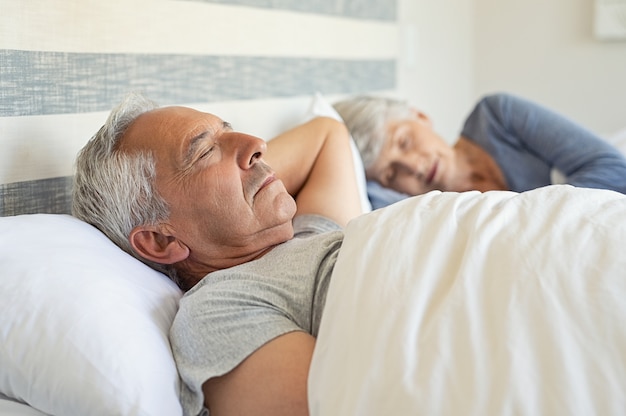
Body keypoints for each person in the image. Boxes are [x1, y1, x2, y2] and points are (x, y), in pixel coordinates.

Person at [72, 92, 363, 416]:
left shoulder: (313, 233)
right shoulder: (221, 310)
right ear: (160, 240)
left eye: (228, 130)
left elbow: (327, 134)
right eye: (205, 150)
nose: (257, 144)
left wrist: (241, 173)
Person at [333, 93, 626, 209]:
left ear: (420, 116)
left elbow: (614, 172)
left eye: (404, 142)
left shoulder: (497, 116)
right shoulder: (421, 211)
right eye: (391, 173)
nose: (413, 167)